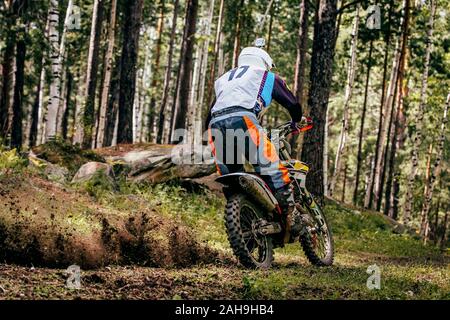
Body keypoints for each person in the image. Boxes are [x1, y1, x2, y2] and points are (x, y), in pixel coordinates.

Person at [206, 42, 303, 239]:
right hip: (243, 120)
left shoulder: (224, 79)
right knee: (272, 168)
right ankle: (291, 217)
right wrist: (296, 120)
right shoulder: (266, 76)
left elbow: (211, 113)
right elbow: (292, 103)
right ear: (264, 62)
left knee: (233, 181)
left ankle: (246, 228)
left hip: (215, 126)